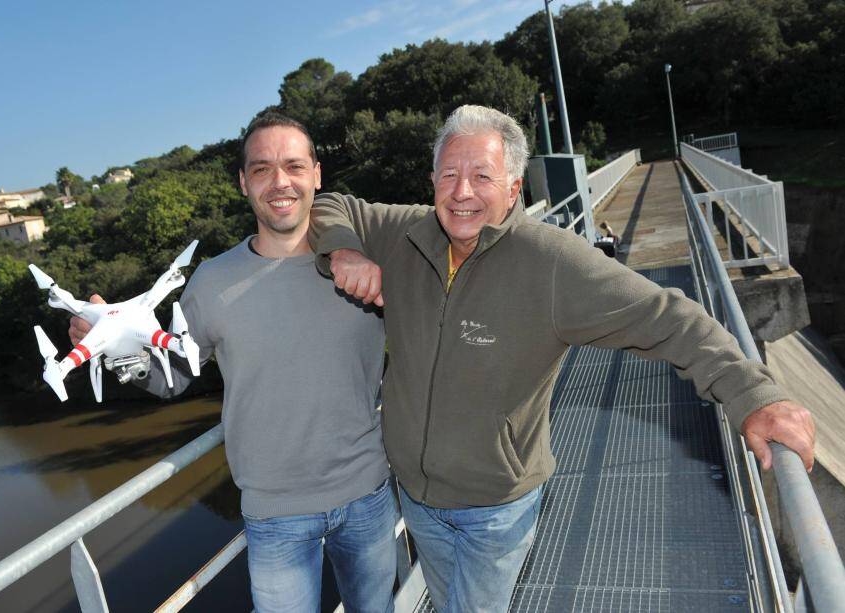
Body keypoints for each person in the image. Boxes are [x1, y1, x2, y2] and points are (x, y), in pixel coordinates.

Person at [308, 104, 815, 612]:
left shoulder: (552, 262)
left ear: (513, 189)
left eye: (482, 176)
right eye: (449, 175)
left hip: (494, 507)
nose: (462, 192)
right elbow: (331, 203)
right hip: (417, 500)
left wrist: (752, 395)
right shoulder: (407, 234)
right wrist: (343, 251)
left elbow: (668, 316)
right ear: (432, 181)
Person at [70, 113, 397, 613]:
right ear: (243, 183)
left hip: (368, 496)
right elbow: (176, 375)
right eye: (262, 169)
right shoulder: (212, 282)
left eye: (293, 165)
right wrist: (118, 352)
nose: (280, 182)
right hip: (274, 516)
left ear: (317, 174)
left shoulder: (368, 261)